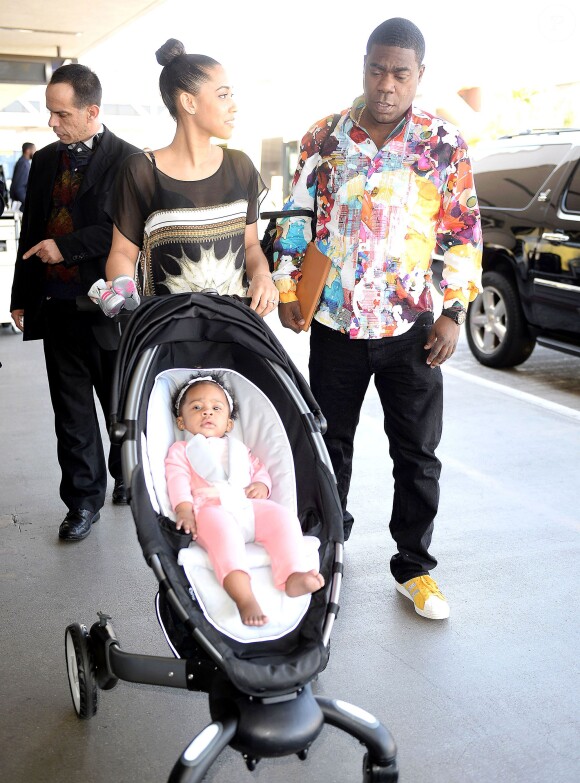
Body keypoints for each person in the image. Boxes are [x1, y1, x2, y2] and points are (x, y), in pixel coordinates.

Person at [273, 18, 482, 620]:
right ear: (362, 65)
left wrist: (453, 312)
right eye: (376, 68)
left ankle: (414, 568)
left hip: (411, 327)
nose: (386, 83)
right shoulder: (324, 138)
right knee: (326, 444)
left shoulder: (442, 141)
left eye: (401, 72)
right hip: (336, 323)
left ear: (420, 74)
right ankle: (325, 552)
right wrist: (290, 290)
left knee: (416, 452)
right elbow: (295, 219)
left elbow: (462, 230)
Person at [10, 64, 139, 541]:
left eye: (61, 114)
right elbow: (32, 232)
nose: (52, 123)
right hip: (56, 305)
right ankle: (83, 503)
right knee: (71, 413)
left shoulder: (129, 161)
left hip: (108, 309)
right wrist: (22, 295)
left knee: (117, 404)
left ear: (91, 112)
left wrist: (67, 247)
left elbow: (129, 230)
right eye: (50, 113)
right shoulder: (43, 162)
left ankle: (126, 475)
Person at [106, 38, 278, 315]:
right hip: (164, 332)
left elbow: (250, 245)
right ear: (189, 102)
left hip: (232, 329)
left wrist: (262, 277)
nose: (233, 106)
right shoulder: (141, 171)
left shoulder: (240, 166)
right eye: (223, 95)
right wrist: (122, 290)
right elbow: (123, 253)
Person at [165, 374, 324, 626]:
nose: (207, 413)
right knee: (224, 540)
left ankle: (292, 574)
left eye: (216, 408)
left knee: (281, 518)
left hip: (246, 505)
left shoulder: (238, 448)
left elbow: (258, 468)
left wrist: (262, 484)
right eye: (197, 407)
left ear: (228, 424)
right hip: (210, 509)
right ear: (181, 421)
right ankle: (244, 597)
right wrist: (183, 508)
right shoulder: (182, 450)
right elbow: (177, 479)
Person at [10, 142, 35, 211]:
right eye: (34, 150)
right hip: (21, 203)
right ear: (27, 151)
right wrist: (27, 201)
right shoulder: (23, 164)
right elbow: (19, 187)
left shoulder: (23, 162)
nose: (35, 152)